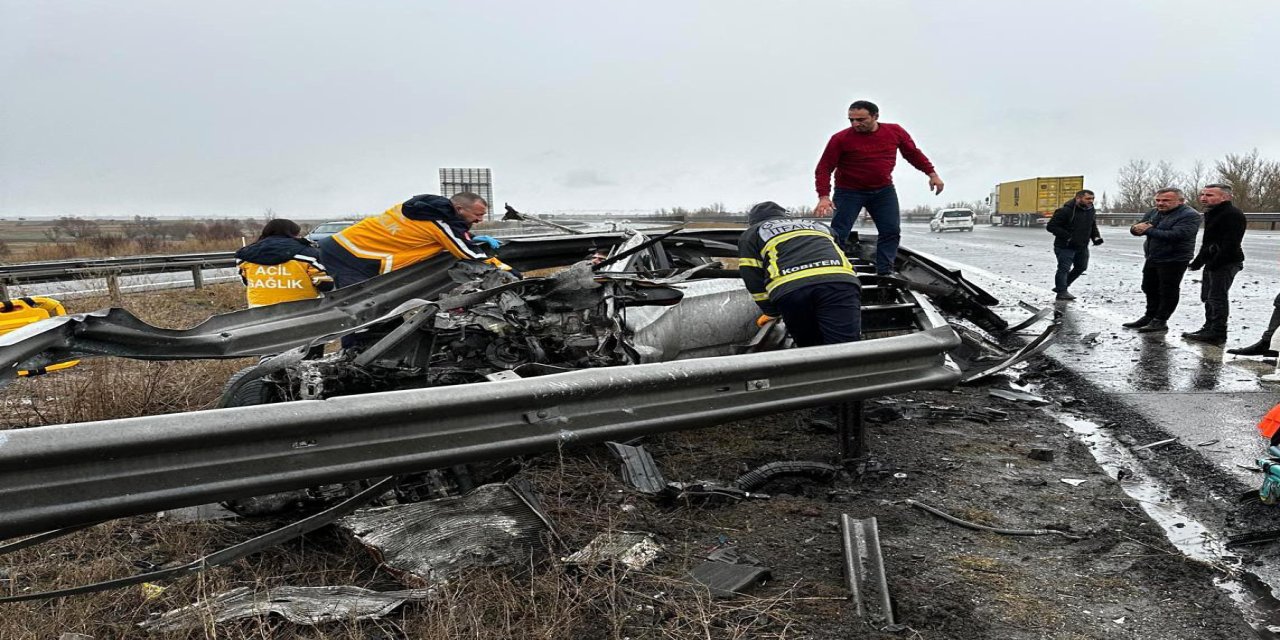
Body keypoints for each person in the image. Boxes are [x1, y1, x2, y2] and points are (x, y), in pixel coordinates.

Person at [814, 100, 944, 275]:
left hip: (883, 191)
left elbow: (913, 154)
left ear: (875, 116)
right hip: (848, 192)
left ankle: (885, 271)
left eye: (861, 119)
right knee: (839, 232)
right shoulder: (840, 139)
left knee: (891, 231)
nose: (855, 124)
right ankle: (837, 271)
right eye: (851, 120)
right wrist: (824, 196)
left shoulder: (894, 131)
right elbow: (824, 168)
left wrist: (932, 174)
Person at [318, 192, 514, 289]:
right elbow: (470, 254)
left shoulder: (422, 208)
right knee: (362, 307)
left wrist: (468, 236)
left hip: (342, 246)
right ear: (459, 209)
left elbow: (421, 233)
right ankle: (354, 354)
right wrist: (505, 269)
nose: (480, 220)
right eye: (478, 215)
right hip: (352, 257)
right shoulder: (439, 222)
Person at [738, 201, 861, 347]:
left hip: (792, 289)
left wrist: (771, 311)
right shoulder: (819, 225)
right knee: (846, 346)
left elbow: (751, 275)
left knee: (809, 347)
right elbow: (837, 249)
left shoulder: (754, 232)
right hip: (839, 282)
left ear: (753, 221)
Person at [1122, 188, 1202, 333]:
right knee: (1148, 286)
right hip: (1153, 256)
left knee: (1167, 290)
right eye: (1158, 200)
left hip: (1175, 258)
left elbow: (1177, 235)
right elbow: (1138, 228)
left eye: (1166, 200)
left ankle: (1160, 320)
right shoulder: (1154, 212)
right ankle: (1149, 316)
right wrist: (1135, 229)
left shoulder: (1190, 215)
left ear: (1180, 201)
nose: (1160, 203)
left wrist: (1147, 230)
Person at [1183, 184, 1246, 344]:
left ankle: (1218, 332)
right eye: (1202, 194)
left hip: (1226, 262)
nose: (1204, 198)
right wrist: (1198, 262)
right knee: (1208, 297)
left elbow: (1231, 244)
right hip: (1213, 261)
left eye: (1209, 195)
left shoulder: (1232, 214)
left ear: (1225, 197)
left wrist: (1213, 264)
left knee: (1217, 297)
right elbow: (1209, 242)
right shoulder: (1213, 213)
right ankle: (1208, 328)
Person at [236, 218, 334, 308]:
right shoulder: (307, 253)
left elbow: (246, 281)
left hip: (258, 308)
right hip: (302, 308)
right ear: (293, 233)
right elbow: (325, 284)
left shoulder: (246, 255)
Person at [1045, 189, 1103, 301]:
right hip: (1065, 246)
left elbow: (1092, 225)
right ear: (1078, 198)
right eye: (1088, 199)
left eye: (1092, 199)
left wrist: (1096, 237)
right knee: (1064, 268)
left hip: (1082, 246)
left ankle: (1062, 286)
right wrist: (1068, 237)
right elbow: (1051, 226)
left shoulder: (1091, 210)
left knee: (1081, 267)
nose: (1091, 201)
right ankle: (1062, 291)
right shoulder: (1065, 211)